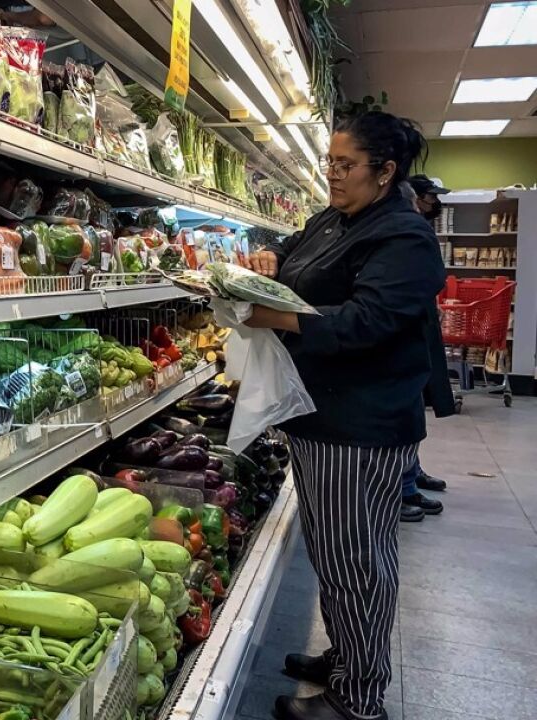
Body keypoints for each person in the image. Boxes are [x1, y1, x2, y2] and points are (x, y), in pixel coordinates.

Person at [244, 111, 447, 720]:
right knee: (335, 554)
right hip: (322, 419)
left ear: (385, 172)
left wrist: (275, 317)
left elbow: (367, 322)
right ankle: (347, 657)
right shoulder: (335, 218)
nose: (332, 174)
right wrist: (268, 257)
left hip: (359, 427)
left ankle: (358, 699)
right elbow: (293, 246)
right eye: (329, 162)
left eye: (345, 164)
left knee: (357, 562)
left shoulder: (404, 238)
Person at [397, 175, 454, 521]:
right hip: (402, 333)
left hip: (418, 326)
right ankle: (403, 487)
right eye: (431, 196)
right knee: (405, 410)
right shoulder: (404, 229)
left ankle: (412, 473)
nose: (435, 203)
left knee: (414, 407)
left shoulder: (416, 228)